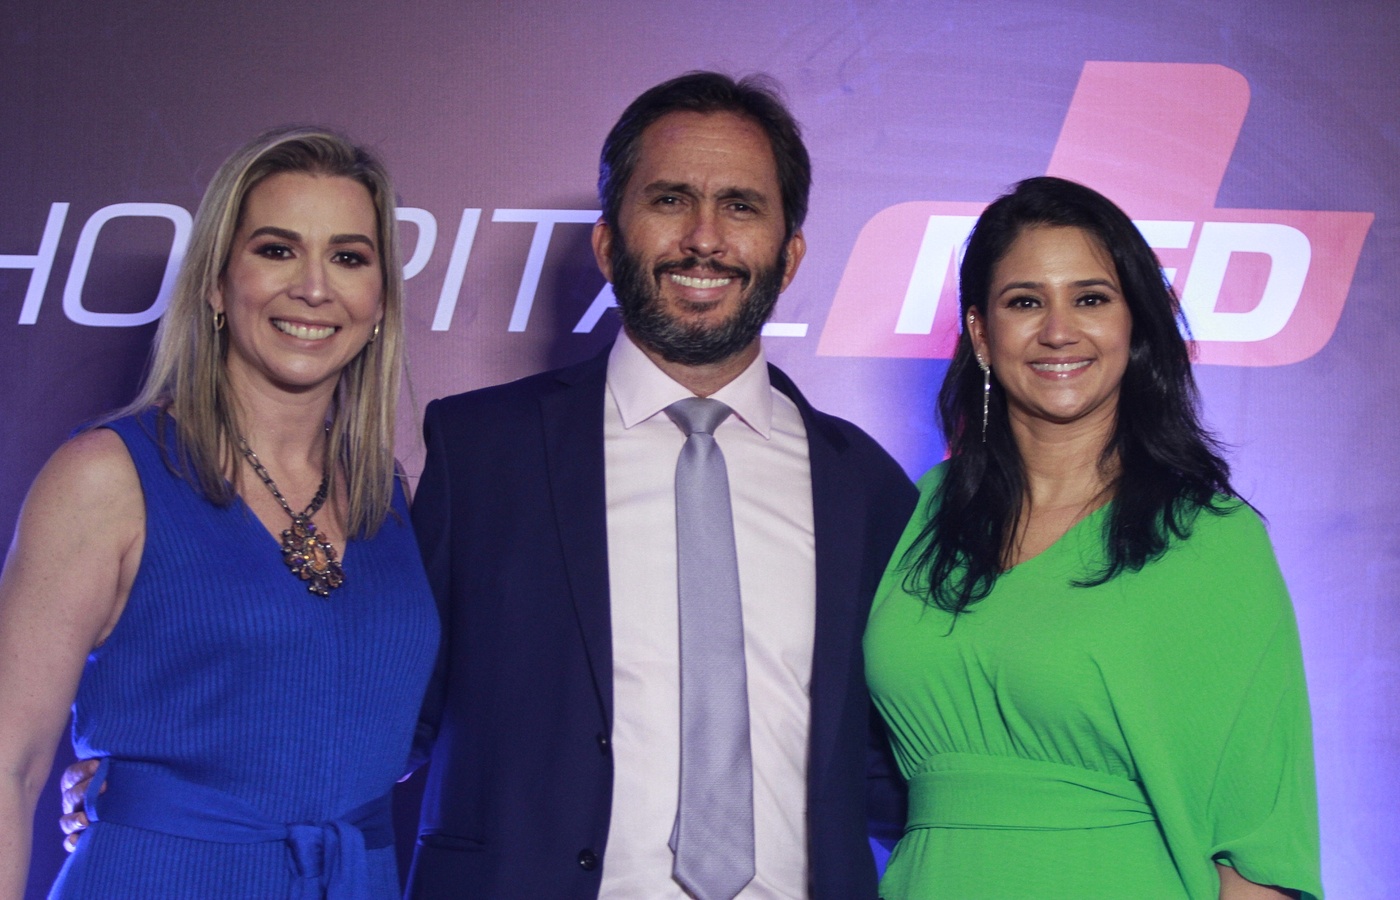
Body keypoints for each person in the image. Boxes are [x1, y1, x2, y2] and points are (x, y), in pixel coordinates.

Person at [403, 72, 917, 899]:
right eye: (671, 200)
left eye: (742, 207)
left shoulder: (870, 488)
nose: (704, 239)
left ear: (789, 257)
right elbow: (386, 712)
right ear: (609, 242)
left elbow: (908, 766)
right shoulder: (480, 450)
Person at [0, 126, 439, 898]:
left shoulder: (388, 496)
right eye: (276, 250)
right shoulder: (107, 475)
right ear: (214, 283)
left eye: (348, 257)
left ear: (378, 304)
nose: (313, 287)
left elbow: (353, 719)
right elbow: (12, 760)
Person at [865, 176, 1322, 899]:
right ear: (982, 333)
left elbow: (1259, 847)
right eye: (1024, 302)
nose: (1058, 330)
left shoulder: (1209, 539)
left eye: (1091, 298)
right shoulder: (916, 512)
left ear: (1135, 323)